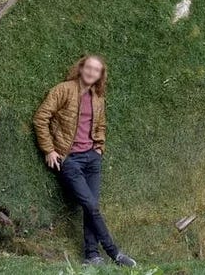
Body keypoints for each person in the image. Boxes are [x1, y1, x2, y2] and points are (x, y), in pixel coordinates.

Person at [32, 54, 137, 267]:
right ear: (81, 69)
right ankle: (114, 253)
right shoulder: (63, 90)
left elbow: (101, 126)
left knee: (92, 206)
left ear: (100, 75)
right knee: (91, 205)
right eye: (88, 68)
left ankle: (92, 255)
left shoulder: (98, 98)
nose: (91, 72)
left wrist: (99, 148)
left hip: (92, 159)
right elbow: (40, 117)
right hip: (69, 159)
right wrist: (49, 150)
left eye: (96, 70)